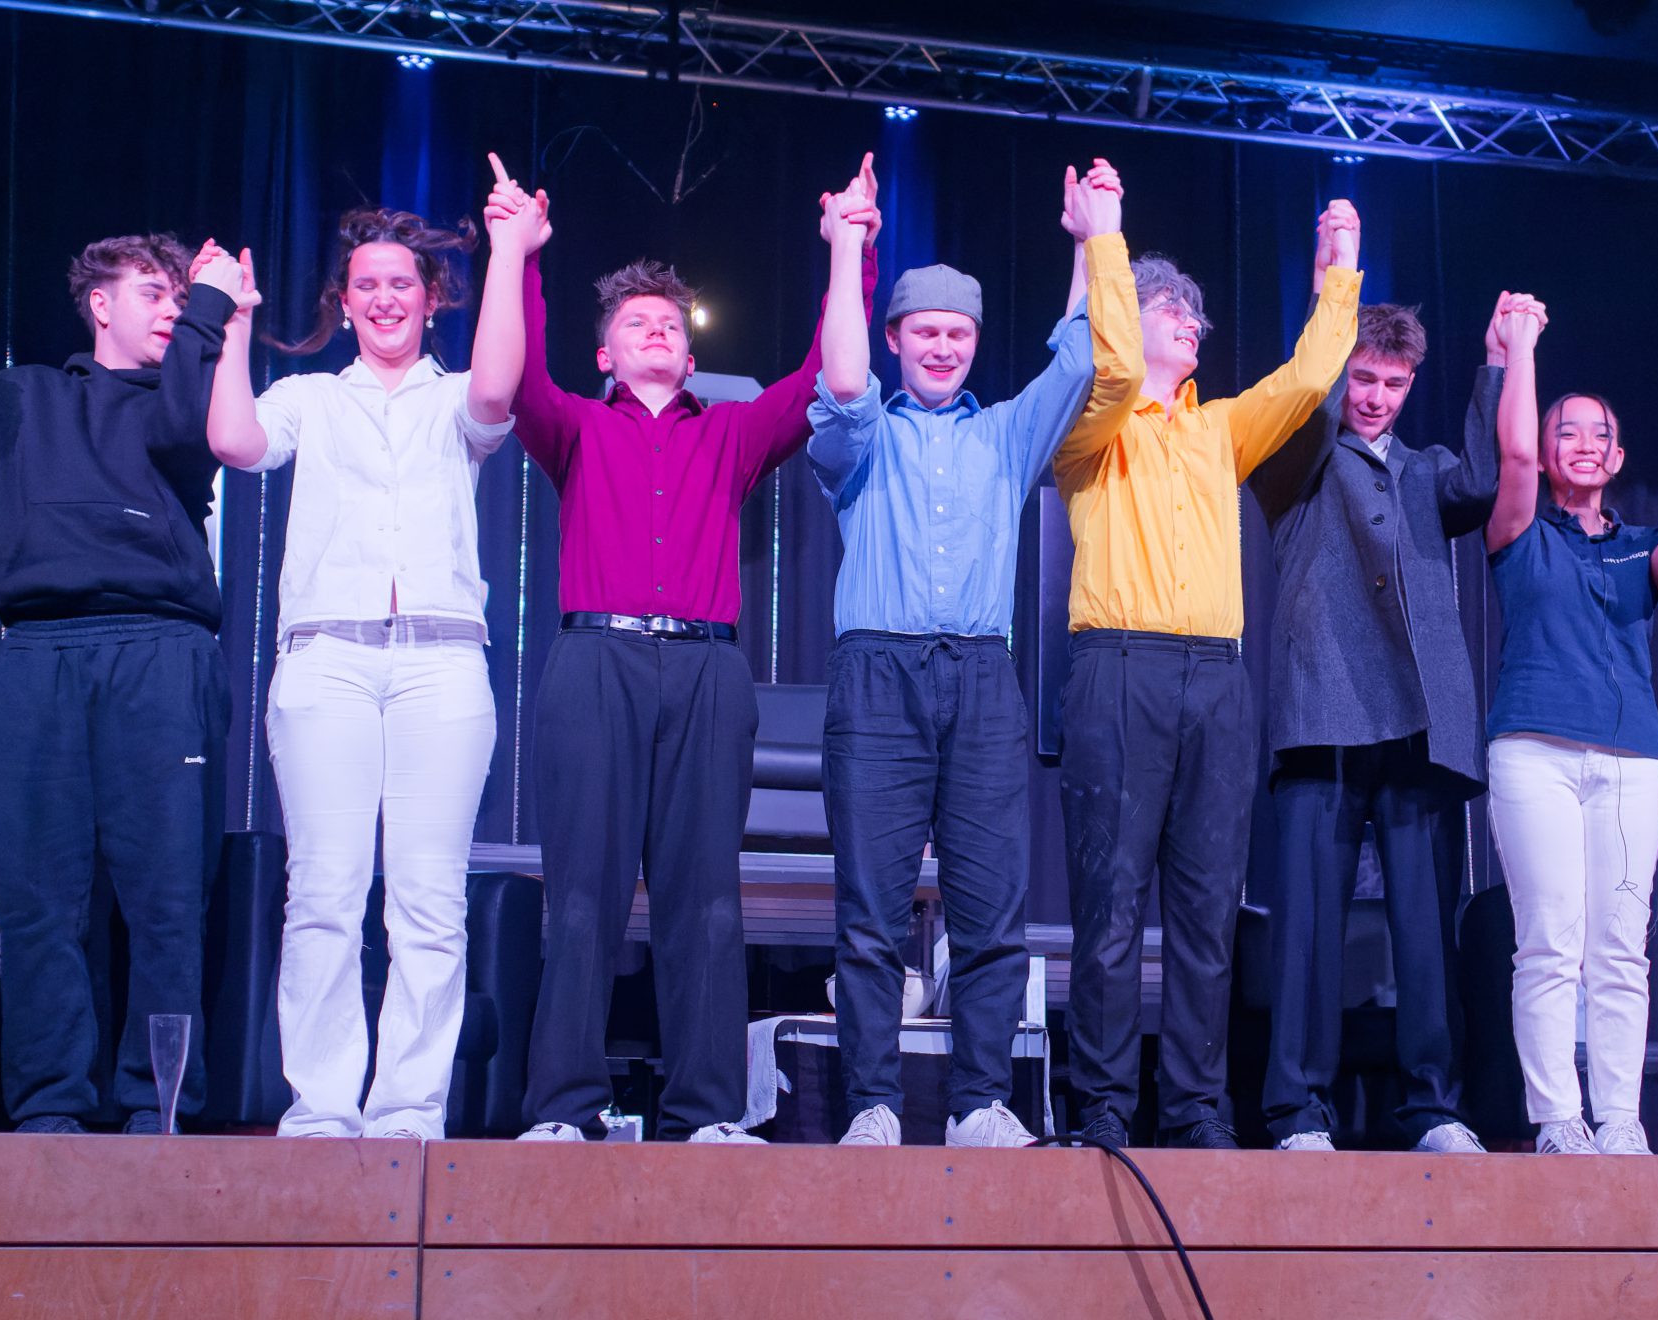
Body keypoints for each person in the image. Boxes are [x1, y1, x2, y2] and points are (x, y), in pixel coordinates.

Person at [513, 161, 878, 1145]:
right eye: (636, 323)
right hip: (595, 665)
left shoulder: (731, 436)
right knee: (581, 899)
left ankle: (707, 1113)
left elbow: (821, 380)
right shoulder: (574, 426)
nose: (656, 331)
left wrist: (849, 249)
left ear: (689, 350)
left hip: (707, 672)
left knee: (707, 899)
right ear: (605, 351)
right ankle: (563, 1111)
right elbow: (518, 379)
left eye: (670, 323)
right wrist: (522, 260)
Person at [0, 230, 246, 1134]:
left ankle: (159, 1103)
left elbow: (182, 436)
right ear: (100, 305)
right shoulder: (24, 393)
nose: (172, 310)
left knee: (167, 898)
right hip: (40, 652)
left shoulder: (188, 389)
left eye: (180, 297)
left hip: (159, 647)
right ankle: (49, 1107)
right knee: (39, 900)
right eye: (154, 294)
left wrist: (211, 308)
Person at [201, 160, 537, 1141]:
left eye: (403, 283)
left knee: (429, 900)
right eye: (366, 285)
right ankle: (321, 1106)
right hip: (327, 662)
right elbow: (234, 443)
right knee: (323, 893)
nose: (385, 297)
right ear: (343, 304)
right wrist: (232, 324)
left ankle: (406, 1111)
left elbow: (502, 384)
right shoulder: (309, 397)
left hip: (441, 664)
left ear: (431, 300)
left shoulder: (457, 398)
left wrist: (509, 250)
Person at [810, 159, 1125, 1149]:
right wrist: (847, 247)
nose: (942, 348)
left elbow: (1075, 360)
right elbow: (843, 383)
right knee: (871, 909)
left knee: (992, 908)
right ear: (896, 338)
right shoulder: (862, 437)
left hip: (984, 677)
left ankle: (979, 1103)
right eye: (924, 333)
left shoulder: (1003, 436)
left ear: (974, 344)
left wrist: (1088, 242)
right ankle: (870, 1101)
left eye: (958, 334)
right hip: (878, 675)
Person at [1054, 199, 1362, 1150]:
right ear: (1128, 317)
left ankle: (1194, 1107)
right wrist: (1105, 239)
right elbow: (1104, 360)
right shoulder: (1092, 423)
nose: (1192, 320)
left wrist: (1339, 269)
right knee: (1111, 904)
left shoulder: (1219, 429)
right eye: (1170, 307)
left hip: (1217, 680)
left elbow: (1309, 378)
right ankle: (1103, 1106)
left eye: (1197, 313)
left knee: (1207, 908)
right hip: (1119, 667)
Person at [1478, 296, 1658, 1156]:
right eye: (1568, 432)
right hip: (1535, 751)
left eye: (1600, 433)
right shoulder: (1520, 530)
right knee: (1549, 943)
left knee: (1622, 950)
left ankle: (1622, 1120)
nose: (1585, 443)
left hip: (1632, 761)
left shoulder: (1638, 548)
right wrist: (1522, 347)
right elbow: (1514, 454)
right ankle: (1559, 1119)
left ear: (1621, 455)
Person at [1253, 290, 1504, 1156]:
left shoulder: (1427, 468)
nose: (1376, 397)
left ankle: (1434, 1106)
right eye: (1363, 378)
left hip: (1419, 724)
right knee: (1308, 928)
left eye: (1394, 383)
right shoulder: (1301, 453)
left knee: (1427, 930)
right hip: (1322, 712)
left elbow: (1482, 484)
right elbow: (1311, 405)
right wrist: (1332, 294)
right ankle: (1297, 1110)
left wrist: (1498, 362)